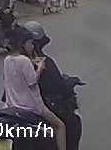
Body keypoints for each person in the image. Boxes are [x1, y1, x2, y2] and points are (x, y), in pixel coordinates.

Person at [1, 26, 67, 150]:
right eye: (30, 43)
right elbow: (32, 82)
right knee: (60, 126)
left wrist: (32, 63)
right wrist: (40, 68)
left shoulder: (7, 60)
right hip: (32, 107)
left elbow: (13, 75)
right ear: (22, 45)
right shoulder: (25, 60)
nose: (32, 46)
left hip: (11, 106)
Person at [23, 21, 82, 150]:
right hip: (39, 108)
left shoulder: (12, 62)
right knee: (69, 124)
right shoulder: (42, 63)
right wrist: (71, 81)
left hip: (14, 109)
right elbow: (59, 87)